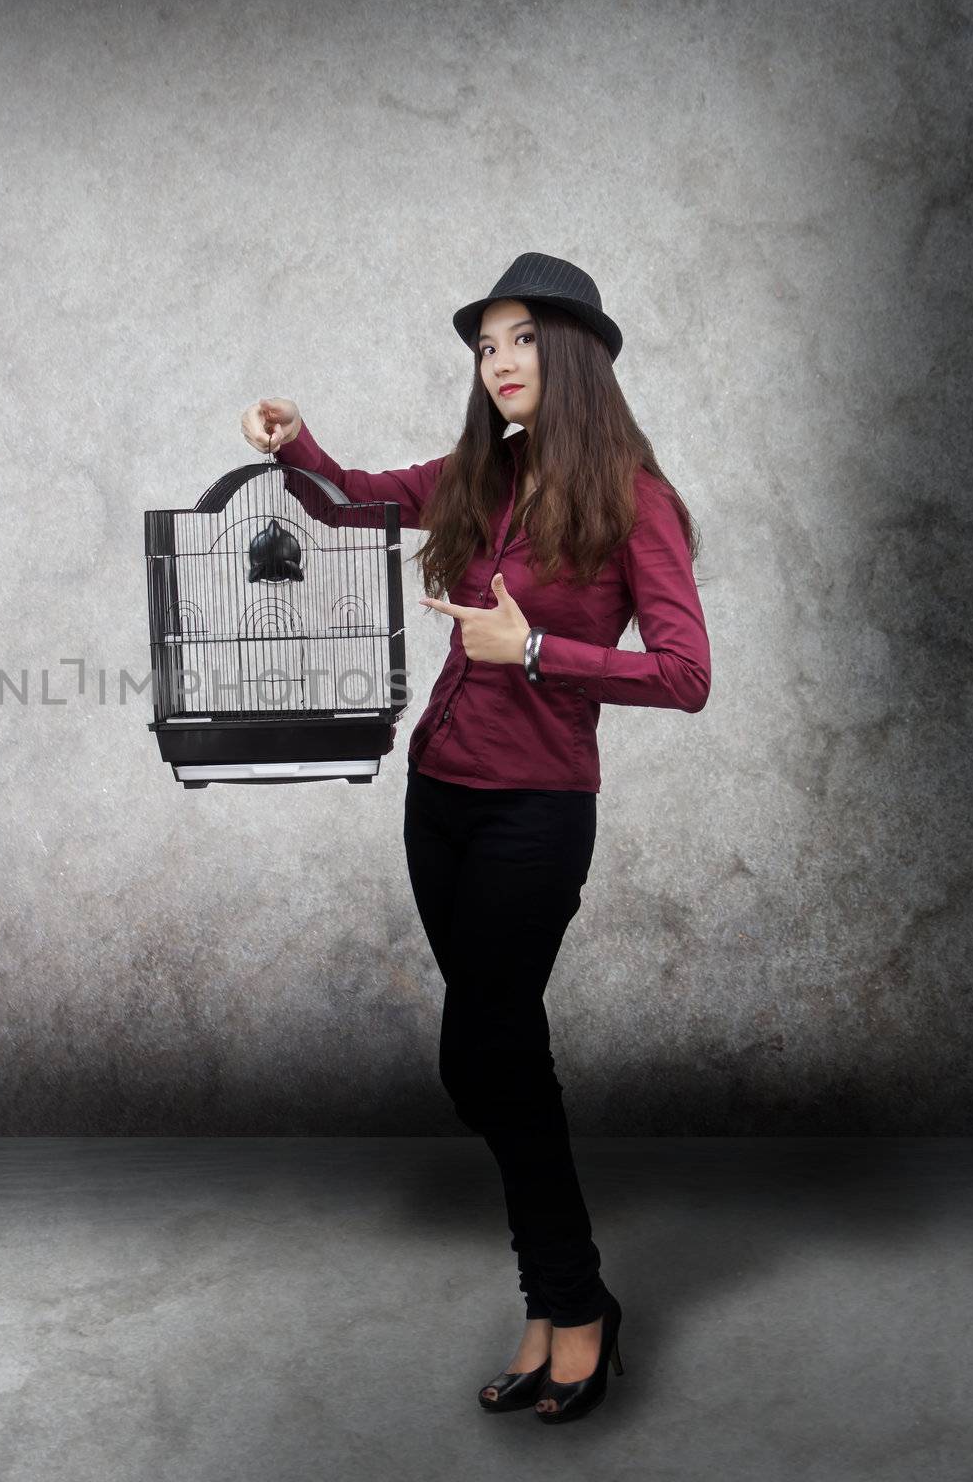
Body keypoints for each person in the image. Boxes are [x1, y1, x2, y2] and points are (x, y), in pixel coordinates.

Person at [237, 252, 711, 1425]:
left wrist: (540, 652)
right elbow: (349, 497)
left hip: (535, 815)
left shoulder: (636, 499)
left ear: (579, 354)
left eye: (520, 339)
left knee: (484, 1055)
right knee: (496, 1056)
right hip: (437, 796)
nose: (498, 362)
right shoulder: (478, 474)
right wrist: (294, 444)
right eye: (485, 345)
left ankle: (575, 1299)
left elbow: (687, 675)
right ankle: (559, 1306)